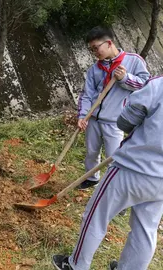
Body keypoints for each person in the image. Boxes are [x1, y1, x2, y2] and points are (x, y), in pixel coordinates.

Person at [52, 75, 163, 269]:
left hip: (133, 168)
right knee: (146, 229)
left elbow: (126, 122)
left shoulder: (159, 84)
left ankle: (76, 265)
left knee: (96, 216)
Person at [77, 26, 150, 190]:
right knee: (91, 152)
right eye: (92, 50)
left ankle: (114, 188)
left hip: (115, 121)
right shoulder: (95, 69)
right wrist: (83, 116)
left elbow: (146, 86)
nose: (95, 52)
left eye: (96, 48)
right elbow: (86, 94)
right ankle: (91, 178)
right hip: (93, 119)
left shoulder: (133, 61)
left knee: (113, 156)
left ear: (109, 43)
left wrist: (125, 78)